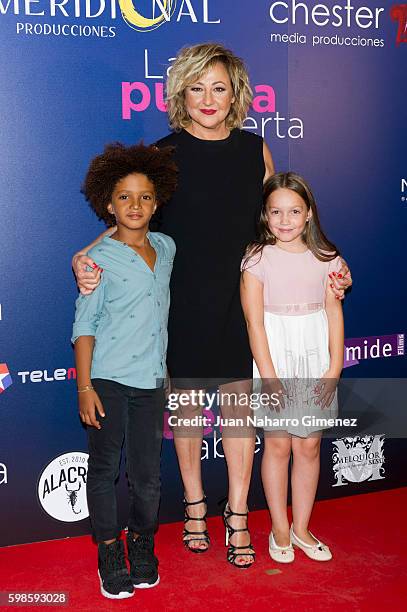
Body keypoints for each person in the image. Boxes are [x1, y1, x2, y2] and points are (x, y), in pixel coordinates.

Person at [72, 43, 352, 568]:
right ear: (180, 93)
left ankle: (239, 512)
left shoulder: (255, 152)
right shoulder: (162, 155)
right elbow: (132, 222)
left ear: (235, 94)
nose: (207, 98)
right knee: (185, 415)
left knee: (240, 414)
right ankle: (197, 506)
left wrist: (332, 263)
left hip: (241, 300)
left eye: (218, 87)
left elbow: (284, 220)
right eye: (196, 87)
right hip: (179, 303)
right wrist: (83, 255)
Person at [72, 142, 177, 598]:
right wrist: (85, 387)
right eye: (124, 197)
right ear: (108, 203)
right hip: (109, 380)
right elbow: (84, 326)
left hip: (152, 381)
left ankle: (141, 542)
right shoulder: (98, 260)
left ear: (157, 202)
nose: (135, 205)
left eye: (145, 196)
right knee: (104, 469)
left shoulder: (167, 247)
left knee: (148, 475)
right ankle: (109, 551)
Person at [240, 172, 344, 564]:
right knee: (279, 444)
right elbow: (254, 322)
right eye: (276, 212)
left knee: (309, 445)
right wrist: (268, 376)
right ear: (266, 216)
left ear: (309, 214)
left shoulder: (328, 258)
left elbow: (334, 313)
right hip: (274, 358)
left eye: (294, 211)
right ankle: (279, 529)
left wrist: (334, 369)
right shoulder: (256, 258)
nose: (285, 220)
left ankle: (302, 529)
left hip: (315, 357)